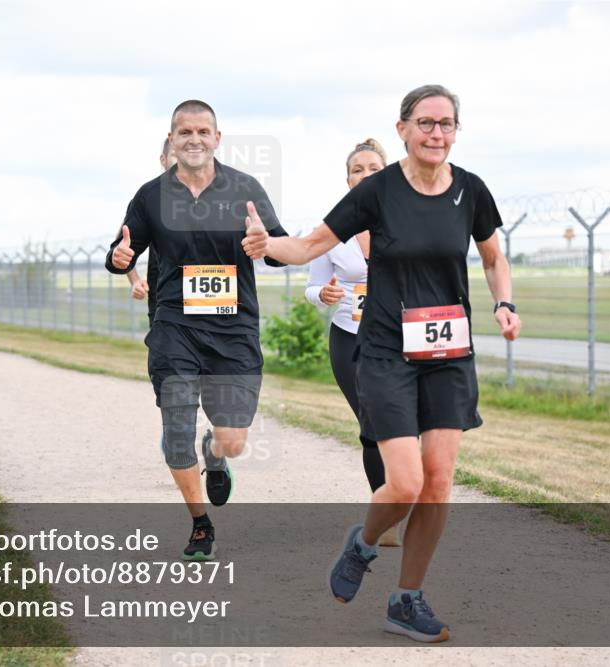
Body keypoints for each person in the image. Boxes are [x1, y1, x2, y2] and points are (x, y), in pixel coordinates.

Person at [243, 84, 521, 643]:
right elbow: (308, 246)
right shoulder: (377, 191)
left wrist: (504, 301)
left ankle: (406, 600)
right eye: (425, 123)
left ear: (456, 132)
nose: (436, 133)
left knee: (439, 482)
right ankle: (363, 545)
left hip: (448, 352)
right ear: (402, 129)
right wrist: (266, 243)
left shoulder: (471, 191)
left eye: (446, 124)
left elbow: (493, 256)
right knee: (407, 482)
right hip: (388, 350)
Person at [106, 100, 289, 561]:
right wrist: (119, 259)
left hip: (234, 330)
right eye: (184, 131)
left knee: (234, 439)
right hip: (174, 327)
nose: (194, 139)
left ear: (217, 138)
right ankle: (200, 523)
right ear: (172, 139)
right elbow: (120, 249)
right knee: (175, 431)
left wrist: (265, 243)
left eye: (203, 131)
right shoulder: (151, 195)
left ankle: (216, 452)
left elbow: (277, 248)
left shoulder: (245, 188)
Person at [304, 138, 399, 548]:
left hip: (399, 338)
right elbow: (312, 286)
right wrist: (322, 295)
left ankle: (404, 494)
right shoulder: (332, 229)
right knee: (370, 425)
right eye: (357, 170)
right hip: (349, 338)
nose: (364, 176)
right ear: (347, 181)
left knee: (401, 424)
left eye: (373, 169)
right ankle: (387, 516)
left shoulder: (405, 221)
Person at [125, 138, 177, 326]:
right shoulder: (149, 199)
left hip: (216, 308)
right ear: (163, 160)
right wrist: (135, 280)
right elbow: (124, 244)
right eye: (175, 155)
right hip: (165, 307)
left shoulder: (219, 199)